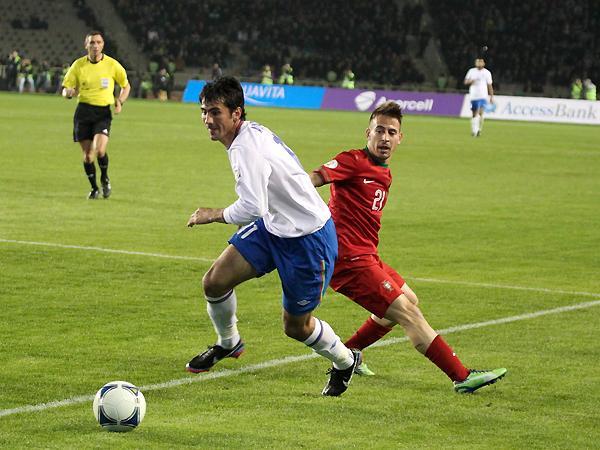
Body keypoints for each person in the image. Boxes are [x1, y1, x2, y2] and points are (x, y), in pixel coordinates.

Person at [310, 101, 507, 393]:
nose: (385, 138)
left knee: (409, 299)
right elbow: (311, 179)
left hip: (367, 256)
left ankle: (349, 352)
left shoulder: (383, 172)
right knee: (408, 314)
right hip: (349, 261)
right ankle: (461, 376)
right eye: (379, 130)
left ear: (400, 138)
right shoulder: (352, 160)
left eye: (392, 132)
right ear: (368, 133)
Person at [185, 76, 361, 397]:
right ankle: (229, 342)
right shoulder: (246, 135)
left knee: (296, 327)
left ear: (236, 113)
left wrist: (213, 214)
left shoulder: (245, 147)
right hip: (274, 226)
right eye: (204, 112)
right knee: (215, 282)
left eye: (215, 112)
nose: (208, 119)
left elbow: (253, 206)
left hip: (309, 239)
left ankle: (344, 360)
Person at [62, 31, 130, 199]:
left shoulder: (112, 65)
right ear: (86, 45)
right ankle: (94, 188)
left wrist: (120, 101)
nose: (95, 46)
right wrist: (67, 93)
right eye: (92, 42)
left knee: (100, 150)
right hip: (83, 112)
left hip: (102, 112)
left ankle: (105, 178)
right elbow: (66, 88)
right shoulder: (78, 65)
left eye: (98, 42)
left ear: (103, 45)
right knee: (87, 156)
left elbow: (125, 85)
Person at [464, 57, 494, 137]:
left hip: (483, 96)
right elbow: (465, 81)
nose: (479, 63)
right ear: (475, 63)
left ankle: (478, 130)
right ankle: (474, 130)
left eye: (480, 62)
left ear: (484, 63)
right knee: (474, 113)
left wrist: (491, 96)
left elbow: (489, 85)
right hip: (473, 96)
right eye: (477, 62)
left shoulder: (487, 73)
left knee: (481, 112)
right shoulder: (471, 71)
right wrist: (471, 81)